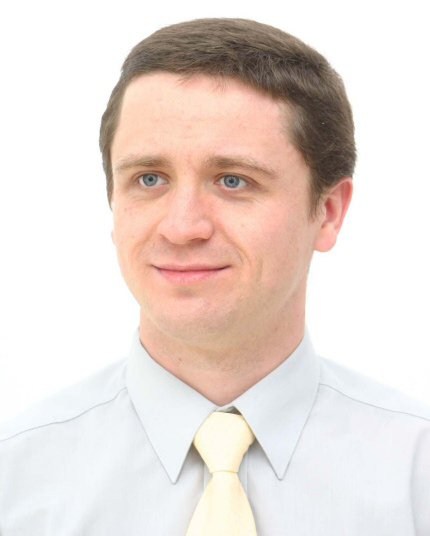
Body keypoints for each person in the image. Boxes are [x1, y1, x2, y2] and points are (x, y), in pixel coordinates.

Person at [0, 17, 429, 535]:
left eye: (233, 180)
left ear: (329, 212)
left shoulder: (416, 476)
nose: (182, 228)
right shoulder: (15, 482)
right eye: (149, 179)